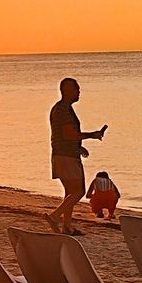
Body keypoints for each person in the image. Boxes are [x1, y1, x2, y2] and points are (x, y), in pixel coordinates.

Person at [48, 78, 106, 235]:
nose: (79, 92)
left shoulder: (63, 109)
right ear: (68, 91)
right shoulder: (63, 110)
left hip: (63, 154)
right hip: (66, 157)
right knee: (79, 191)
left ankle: (67, 226)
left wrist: (79, 147)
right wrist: (92, 135)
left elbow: (65, 135)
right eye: (77, 89)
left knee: (69, 193)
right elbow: (69, 134)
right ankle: (55, 216)